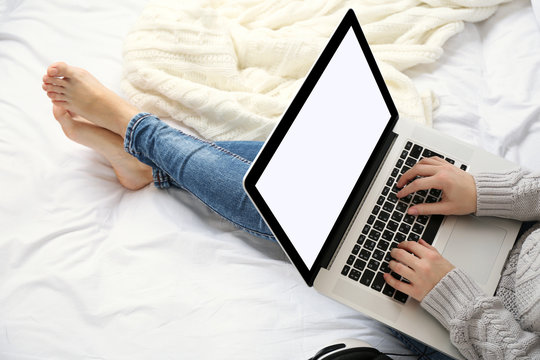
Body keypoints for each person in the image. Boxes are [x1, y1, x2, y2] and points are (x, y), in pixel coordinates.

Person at [42, 62, 539, 359]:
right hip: (504, 222)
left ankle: (139, 132)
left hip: (471, 317)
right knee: (355, 167)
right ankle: (149, 167)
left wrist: (457, 300)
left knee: (320, 212)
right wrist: (485, 193)